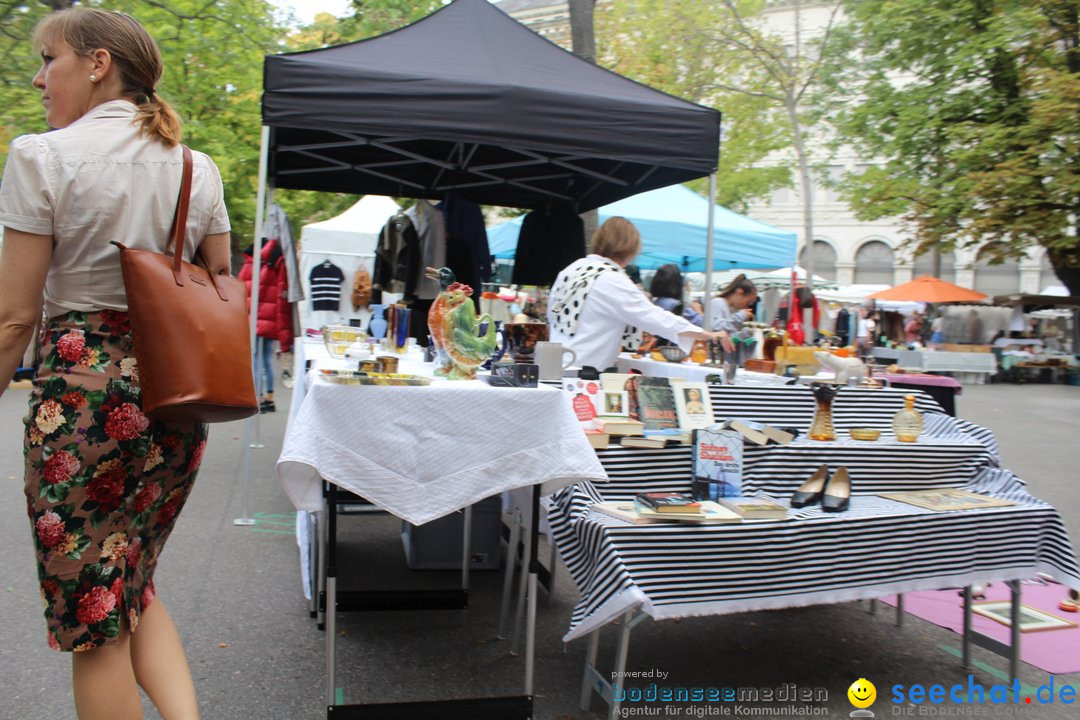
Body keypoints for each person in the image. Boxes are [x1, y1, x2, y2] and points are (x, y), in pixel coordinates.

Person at [0, 8, 230, 719]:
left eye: (50, 60)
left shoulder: (42, 156)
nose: (39, 77)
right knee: (132, 578)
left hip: (80, 400)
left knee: (92, 617)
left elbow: (14, 317)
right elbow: (220, 282)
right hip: (176, 395)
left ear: (98, 64)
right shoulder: (198, 166)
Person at [547, 217, 729, 370]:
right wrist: (707, 334)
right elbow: (654, 317)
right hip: (583, 372)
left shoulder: (572, 270)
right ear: (632, 249)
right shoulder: (611, 279)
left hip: (554, 366)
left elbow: (551, 316)